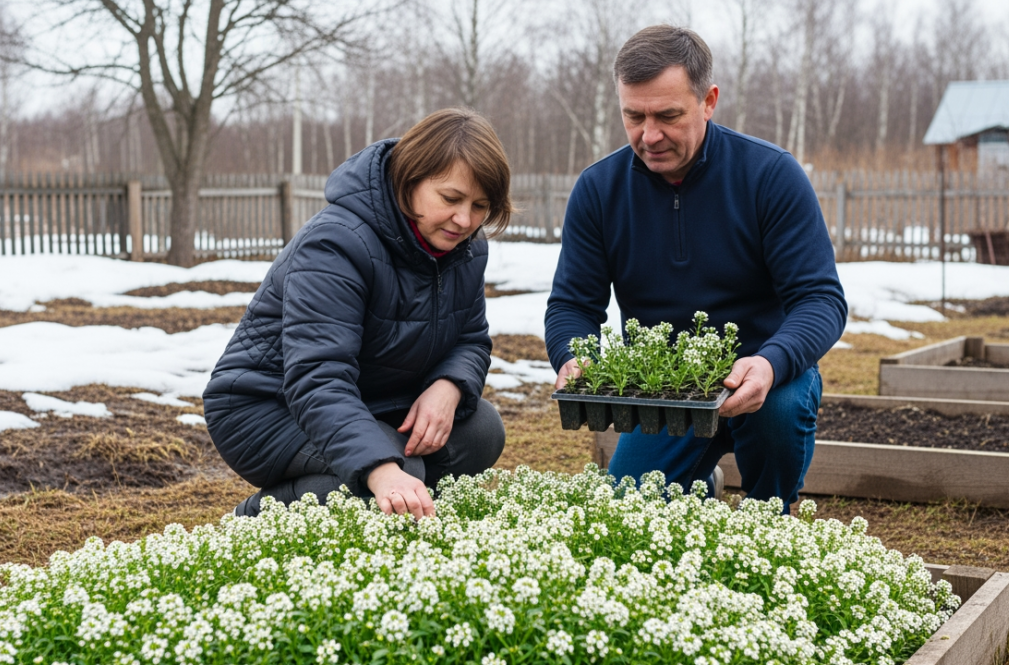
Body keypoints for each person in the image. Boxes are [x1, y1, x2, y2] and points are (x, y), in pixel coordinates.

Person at [544, 25, 847, 509]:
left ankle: (769, 516)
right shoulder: (599, 191)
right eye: (633, 116)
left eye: (668, 115)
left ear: (708, 101)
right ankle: (699, 487)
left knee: (780, 411)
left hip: (766, 378)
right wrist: (573, 356)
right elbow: (572, 305)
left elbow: (821, 300)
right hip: (664, 393)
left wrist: (771, 362)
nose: (650, 135)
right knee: (627, 509)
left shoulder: (769, 175)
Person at [203, 109, 511, 520]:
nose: (464, 220)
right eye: (451, 199)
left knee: (481, 432)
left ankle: (400, 507)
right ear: (409, 179)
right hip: (268, 408)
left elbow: (470, 338)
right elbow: (318, 376)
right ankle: (258, 518)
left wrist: (448, 386)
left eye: (480, 206)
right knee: (393, 468)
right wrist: (382, 472)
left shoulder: (465, 247)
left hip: (372, 397)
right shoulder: (335, 245)